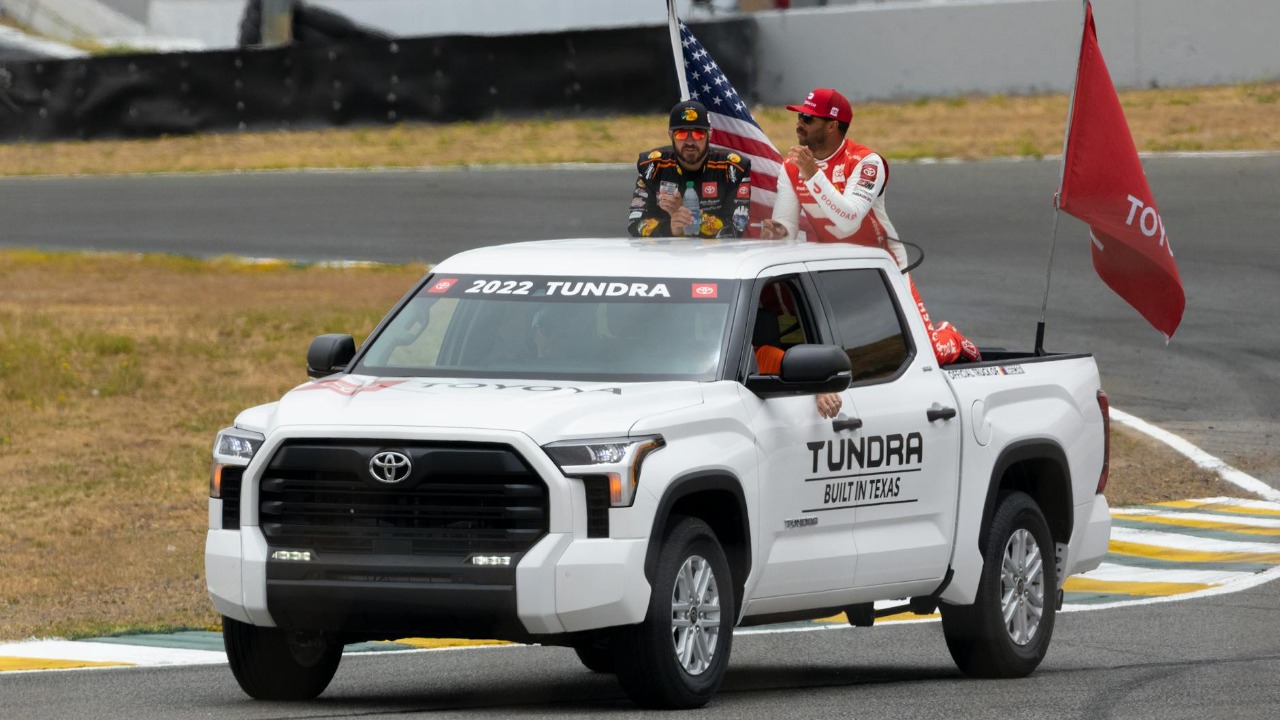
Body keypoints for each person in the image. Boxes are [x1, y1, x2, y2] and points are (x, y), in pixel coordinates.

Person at [759, 88, 981, 365]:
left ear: (832, 126)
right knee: (860, 356)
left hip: (885, 268)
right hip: (836, 271)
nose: (799, 124)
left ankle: (952, 337)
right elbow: (788, 224)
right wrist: (778, 231)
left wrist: (814, 176)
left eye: (808, 118)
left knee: (928, 356)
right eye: (800, 116)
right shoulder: (792, 166)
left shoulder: (866, 162)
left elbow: (849, 219)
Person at [627, 100, 752, 239]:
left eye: (698, 134)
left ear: (709, 134)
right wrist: (670, 227)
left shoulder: (733, 167)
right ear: (670, 135)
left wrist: (688, 215)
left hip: (716, 256)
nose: (690, 142)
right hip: (665, 255)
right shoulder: (653, 165)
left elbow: (737, 228)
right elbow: (635, 223)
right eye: (681, 134)